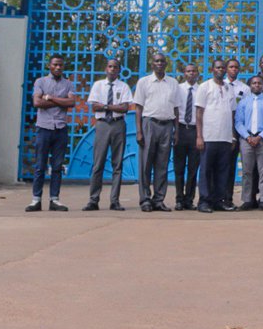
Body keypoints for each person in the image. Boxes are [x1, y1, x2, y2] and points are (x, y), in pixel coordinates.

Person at [83, 58, 133, 211]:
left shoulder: (123, 86)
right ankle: (93, 200)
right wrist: (111, 107)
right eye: (110, 66)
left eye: (115, 67)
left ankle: (114, 201)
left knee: (117, 164)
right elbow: (95, 107)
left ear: (119, 70)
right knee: (98, 164)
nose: (112, 69)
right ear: (106, 69)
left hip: (118, 125)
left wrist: (104, 106)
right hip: (103, 124)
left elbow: (125, 108)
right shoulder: (98, 85)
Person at [28, 56, 76, 212]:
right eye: (55, 64)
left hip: (60, 129)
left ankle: (54, 200)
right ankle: (36, 200)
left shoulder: (68, 84)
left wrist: (50, 98)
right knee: (40, 166)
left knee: (57, 166)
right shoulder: (40, 82)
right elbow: (37, 103)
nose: (58, 67)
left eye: (60, 65)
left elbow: (71, 103)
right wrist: (60, 101)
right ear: (49, 65)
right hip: (43, 128)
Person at [133, 52, 179, 213]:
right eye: (156, 61)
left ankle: (159, 199)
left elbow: (176, 108)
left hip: (167, 126)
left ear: (166, 64)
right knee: (145, 165)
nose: (159, 63)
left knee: (162, 166)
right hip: (149, 124)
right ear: (152, 64)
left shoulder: (173, 83)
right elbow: (138, 108)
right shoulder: (144, 82)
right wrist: (139, 131)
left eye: (162, 61)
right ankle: (145, 199)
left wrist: (176, 131)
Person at [194, 59, 236, 213]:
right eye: (218, 67)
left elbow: (232, 113)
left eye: (223, 68)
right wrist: (199, 136)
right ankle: (204, 201)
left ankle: (218, 200)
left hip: (224, 137)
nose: (221, 70)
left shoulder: (228, 88)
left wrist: (232, 136)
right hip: (209, 136)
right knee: (206, 170)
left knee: (222, 170)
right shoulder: (205, 87)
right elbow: (199, 112)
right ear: (212, 69)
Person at [235, 74, 263, 210]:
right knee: (247, 171)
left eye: (259, 83)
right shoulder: (243, 102)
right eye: (254, 83)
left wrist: (260, 137)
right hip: (246, 140)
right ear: (250, 85)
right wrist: (247, 137)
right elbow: (238, 122)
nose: (257, 85)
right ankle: (247, 200)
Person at [173, 63, 202, 210]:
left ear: (197, 73)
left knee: (193, 168)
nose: (191, 73)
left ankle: (189, 200)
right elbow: (175, 110)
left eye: (194, 71)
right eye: (188, 71)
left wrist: (200, 135)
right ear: (184, 73)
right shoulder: (178, 89)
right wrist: (176, 131)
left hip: (195, 131)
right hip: (181, 130)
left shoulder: (201, 89)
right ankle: (179, 199)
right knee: (179, 168)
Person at [224, 59, 251, 206]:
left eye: (236, 67)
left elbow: (246, 111)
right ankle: (216, 197)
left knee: (232, 166)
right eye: (231, 67)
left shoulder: (244, 88)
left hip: (239, 130)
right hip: (220, 129)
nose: (233, 69)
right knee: (221, 165)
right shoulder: (220, 86)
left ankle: (229, 199)